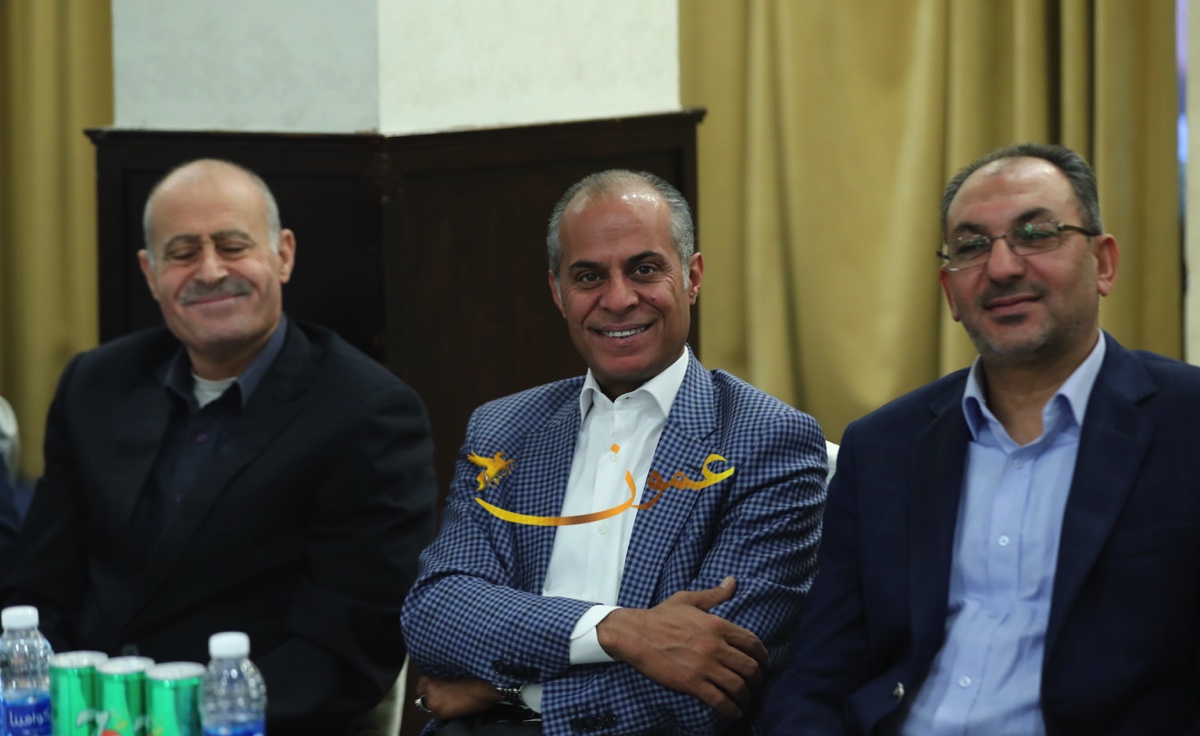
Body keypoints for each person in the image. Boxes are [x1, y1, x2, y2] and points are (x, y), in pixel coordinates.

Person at [763, 143, 1200, 735]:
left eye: (1036, 234)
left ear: (1103, 263)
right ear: (949, 291)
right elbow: (819, 674)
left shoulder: (1185, 422)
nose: (1002, 268)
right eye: (971, 246)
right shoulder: (882, 448)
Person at [3, 159, 436, 734]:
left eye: (233, 247)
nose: (209, 271)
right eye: (182, 253)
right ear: (150, 272)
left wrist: (177, 720)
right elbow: (40, 589)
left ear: (283, 255)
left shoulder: (367, 412)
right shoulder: (94, 384)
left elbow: (347, 652)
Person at [401, 169, 828, 735]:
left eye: (645, 269)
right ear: (558, 293)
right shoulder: (503, 429)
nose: (619, 299)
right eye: (589, 277)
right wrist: (617, 630)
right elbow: (434, 616)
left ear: (693, 277)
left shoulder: (765, 439)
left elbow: (714, 685)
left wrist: (501, 691)